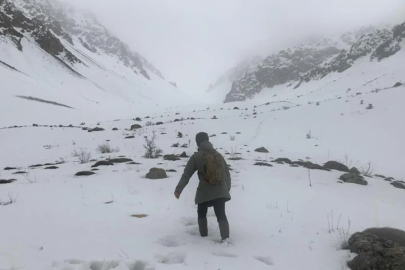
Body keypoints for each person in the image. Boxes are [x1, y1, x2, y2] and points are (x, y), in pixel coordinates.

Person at [174, 132, 231, 241]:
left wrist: (178, 189)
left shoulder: (196, 156)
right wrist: (227, 188)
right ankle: (225, 239)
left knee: (201, 212)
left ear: (197, 142)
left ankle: (203, 238)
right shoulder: (218, 155)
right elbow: (227, 173)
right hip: (221, 189)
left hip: (205, 191)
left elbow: (186, 174)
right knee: (221, 214)